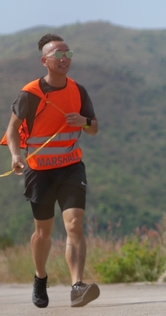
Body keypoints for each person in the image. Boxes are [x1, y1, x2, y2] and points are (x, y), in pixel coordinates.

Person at [1, 34, 100, 308]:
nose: (64, 59)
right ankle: (40, 277)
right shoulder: (30, 93)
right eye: (58, 54)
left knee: (74, 225)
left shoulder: (78, 91)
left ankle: (77, 287)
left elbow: (94, 128)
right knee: (43, 233)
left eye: (68, 54)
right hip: (39, 172)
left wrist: (84, 121)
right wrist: (15, 156)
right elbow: (12, 128)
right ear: (44, 61)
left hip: (71, 168)